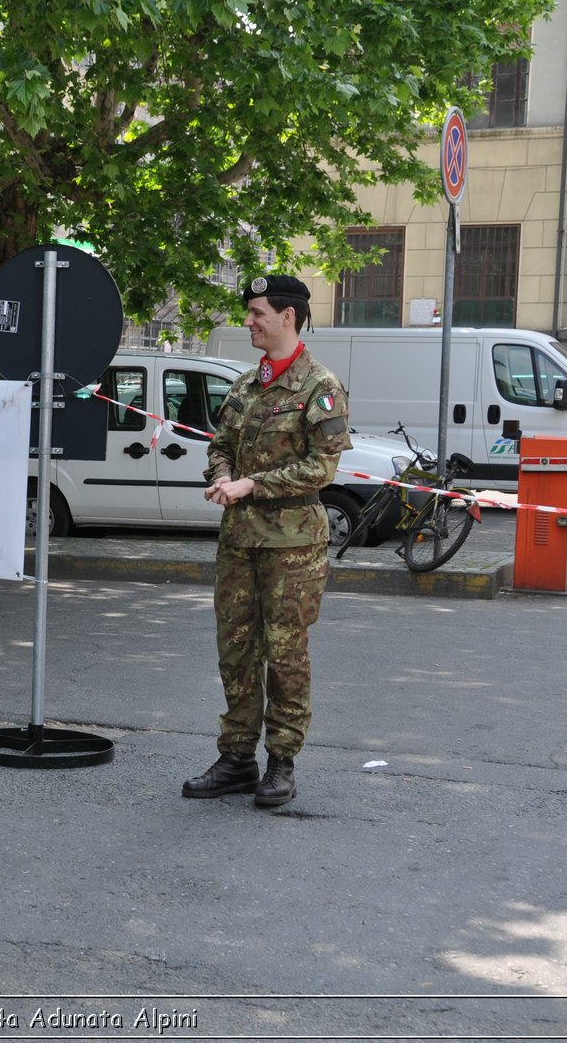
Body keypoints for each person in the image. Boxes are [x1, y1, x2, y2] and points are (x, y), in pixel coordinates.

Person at [183, 274, 352, 808]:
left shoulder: (318, 386)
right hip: (239, 540)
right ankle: (236, 758)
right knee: (235, 650)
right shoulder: (246, 385)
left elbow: (323, 468)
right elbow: (220, 443)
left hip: (292, 544)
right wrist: (221, 474)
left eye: (258, 312)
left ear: (289, 316)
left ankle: (282, 761)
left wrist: (253, 484)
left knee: (285, 654)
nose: (249, 322)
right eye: (249, 313)